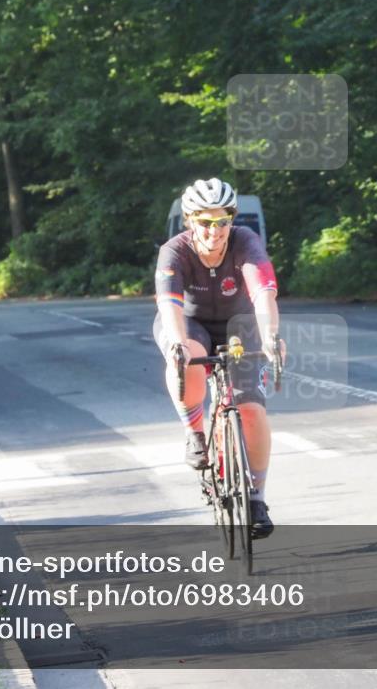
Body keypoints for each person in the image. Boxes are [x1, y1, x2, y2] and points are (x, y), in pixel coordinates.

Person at [153, 178, 285, 538]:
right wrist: (178, 344)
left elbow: (262, 295)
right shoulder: (174, 252)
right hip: (189, 323)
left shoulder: (245, 242)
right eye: (205, 222)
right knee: (187, 356)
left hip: (238, 324)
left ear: (232, 220)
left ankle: (256, 498)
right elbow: (169, 306)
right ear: (190, 221)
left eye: (222, 221)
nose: (215, 231)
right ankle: (194, 432)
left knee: (251, 408)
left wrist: (271, 335)